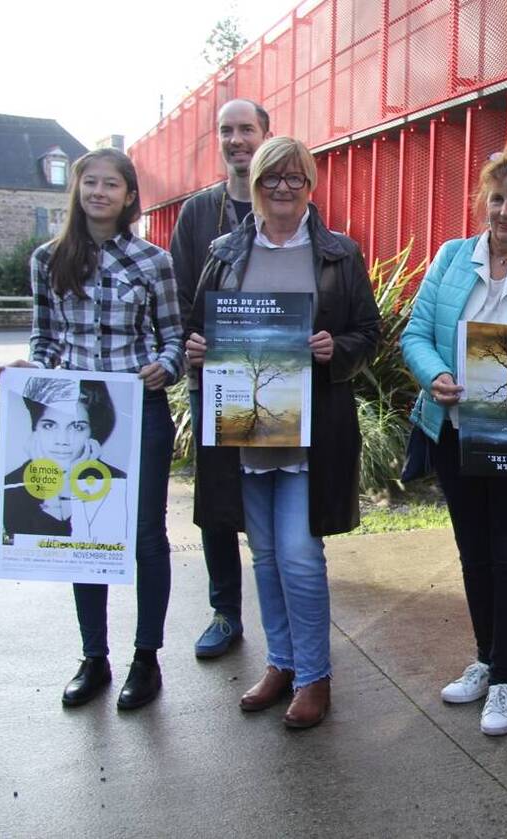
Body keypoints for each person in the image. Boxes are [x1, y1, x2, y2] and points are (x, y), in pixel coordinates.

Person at [185, 136, 380, 729]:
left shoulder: (338, 254)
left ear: (310, 185)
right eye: (273, 178)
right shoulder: (224, 252)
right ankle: (281, 664)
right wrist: (197, 350)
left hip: (309, 434)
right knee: (264, 554)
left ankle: (315, 676)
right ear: (255, 183)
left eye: (296, 179)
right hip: (244, 427)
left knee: (298, 554)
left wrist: (335, 348)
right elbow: (199, 329)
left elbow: (369, 334)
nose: (283, 189)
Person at [0, 148, 184, 711]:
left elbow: (174, 337)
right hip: (75, 413)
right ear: (77, 191)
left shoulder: (154, 262)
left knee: (146, 534)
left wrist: (166, 366)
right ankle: (94, 657)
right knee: (86, 534)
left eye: (112, 185)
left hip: (137, 410)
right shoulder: (49, 259)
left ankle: (146, 658)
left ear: (130, 196)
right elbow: (45, 339)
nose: (99, 192)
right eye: (90, 183)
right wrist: (31, 372)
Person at [400, 143, 507, 737]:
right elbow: (416, 334)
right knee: (473, 553)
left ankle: (505, 678)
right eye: (497, 198)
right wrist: (437, 376)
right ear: (482, 201)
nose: (506, 211)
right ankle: (483, 657)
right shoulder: (451, 259)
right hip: (455, 432)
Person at [170, 98, 272, 659]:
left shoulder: (289, 205)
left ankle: (283, 615)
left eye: (246, 130)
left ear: (266, 134)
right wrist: (192, 340)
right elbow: (184, 294)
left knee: (276, 494)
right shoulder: (197, 213)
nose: (237, 140)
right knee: (215, 503)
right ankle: (225, 613)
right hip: (211, 381)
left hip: (274, 383)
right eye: (227, 131)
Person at [2, 377, 128, 543]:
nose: (62, 440)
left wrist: (72, 483)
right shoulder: (11, 486)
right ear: (36, 429)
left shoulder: (118, 482)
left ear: (92, 432)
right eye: (49, 425)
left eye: (77, 427)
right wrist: (52, 495)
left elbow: (103, 543)